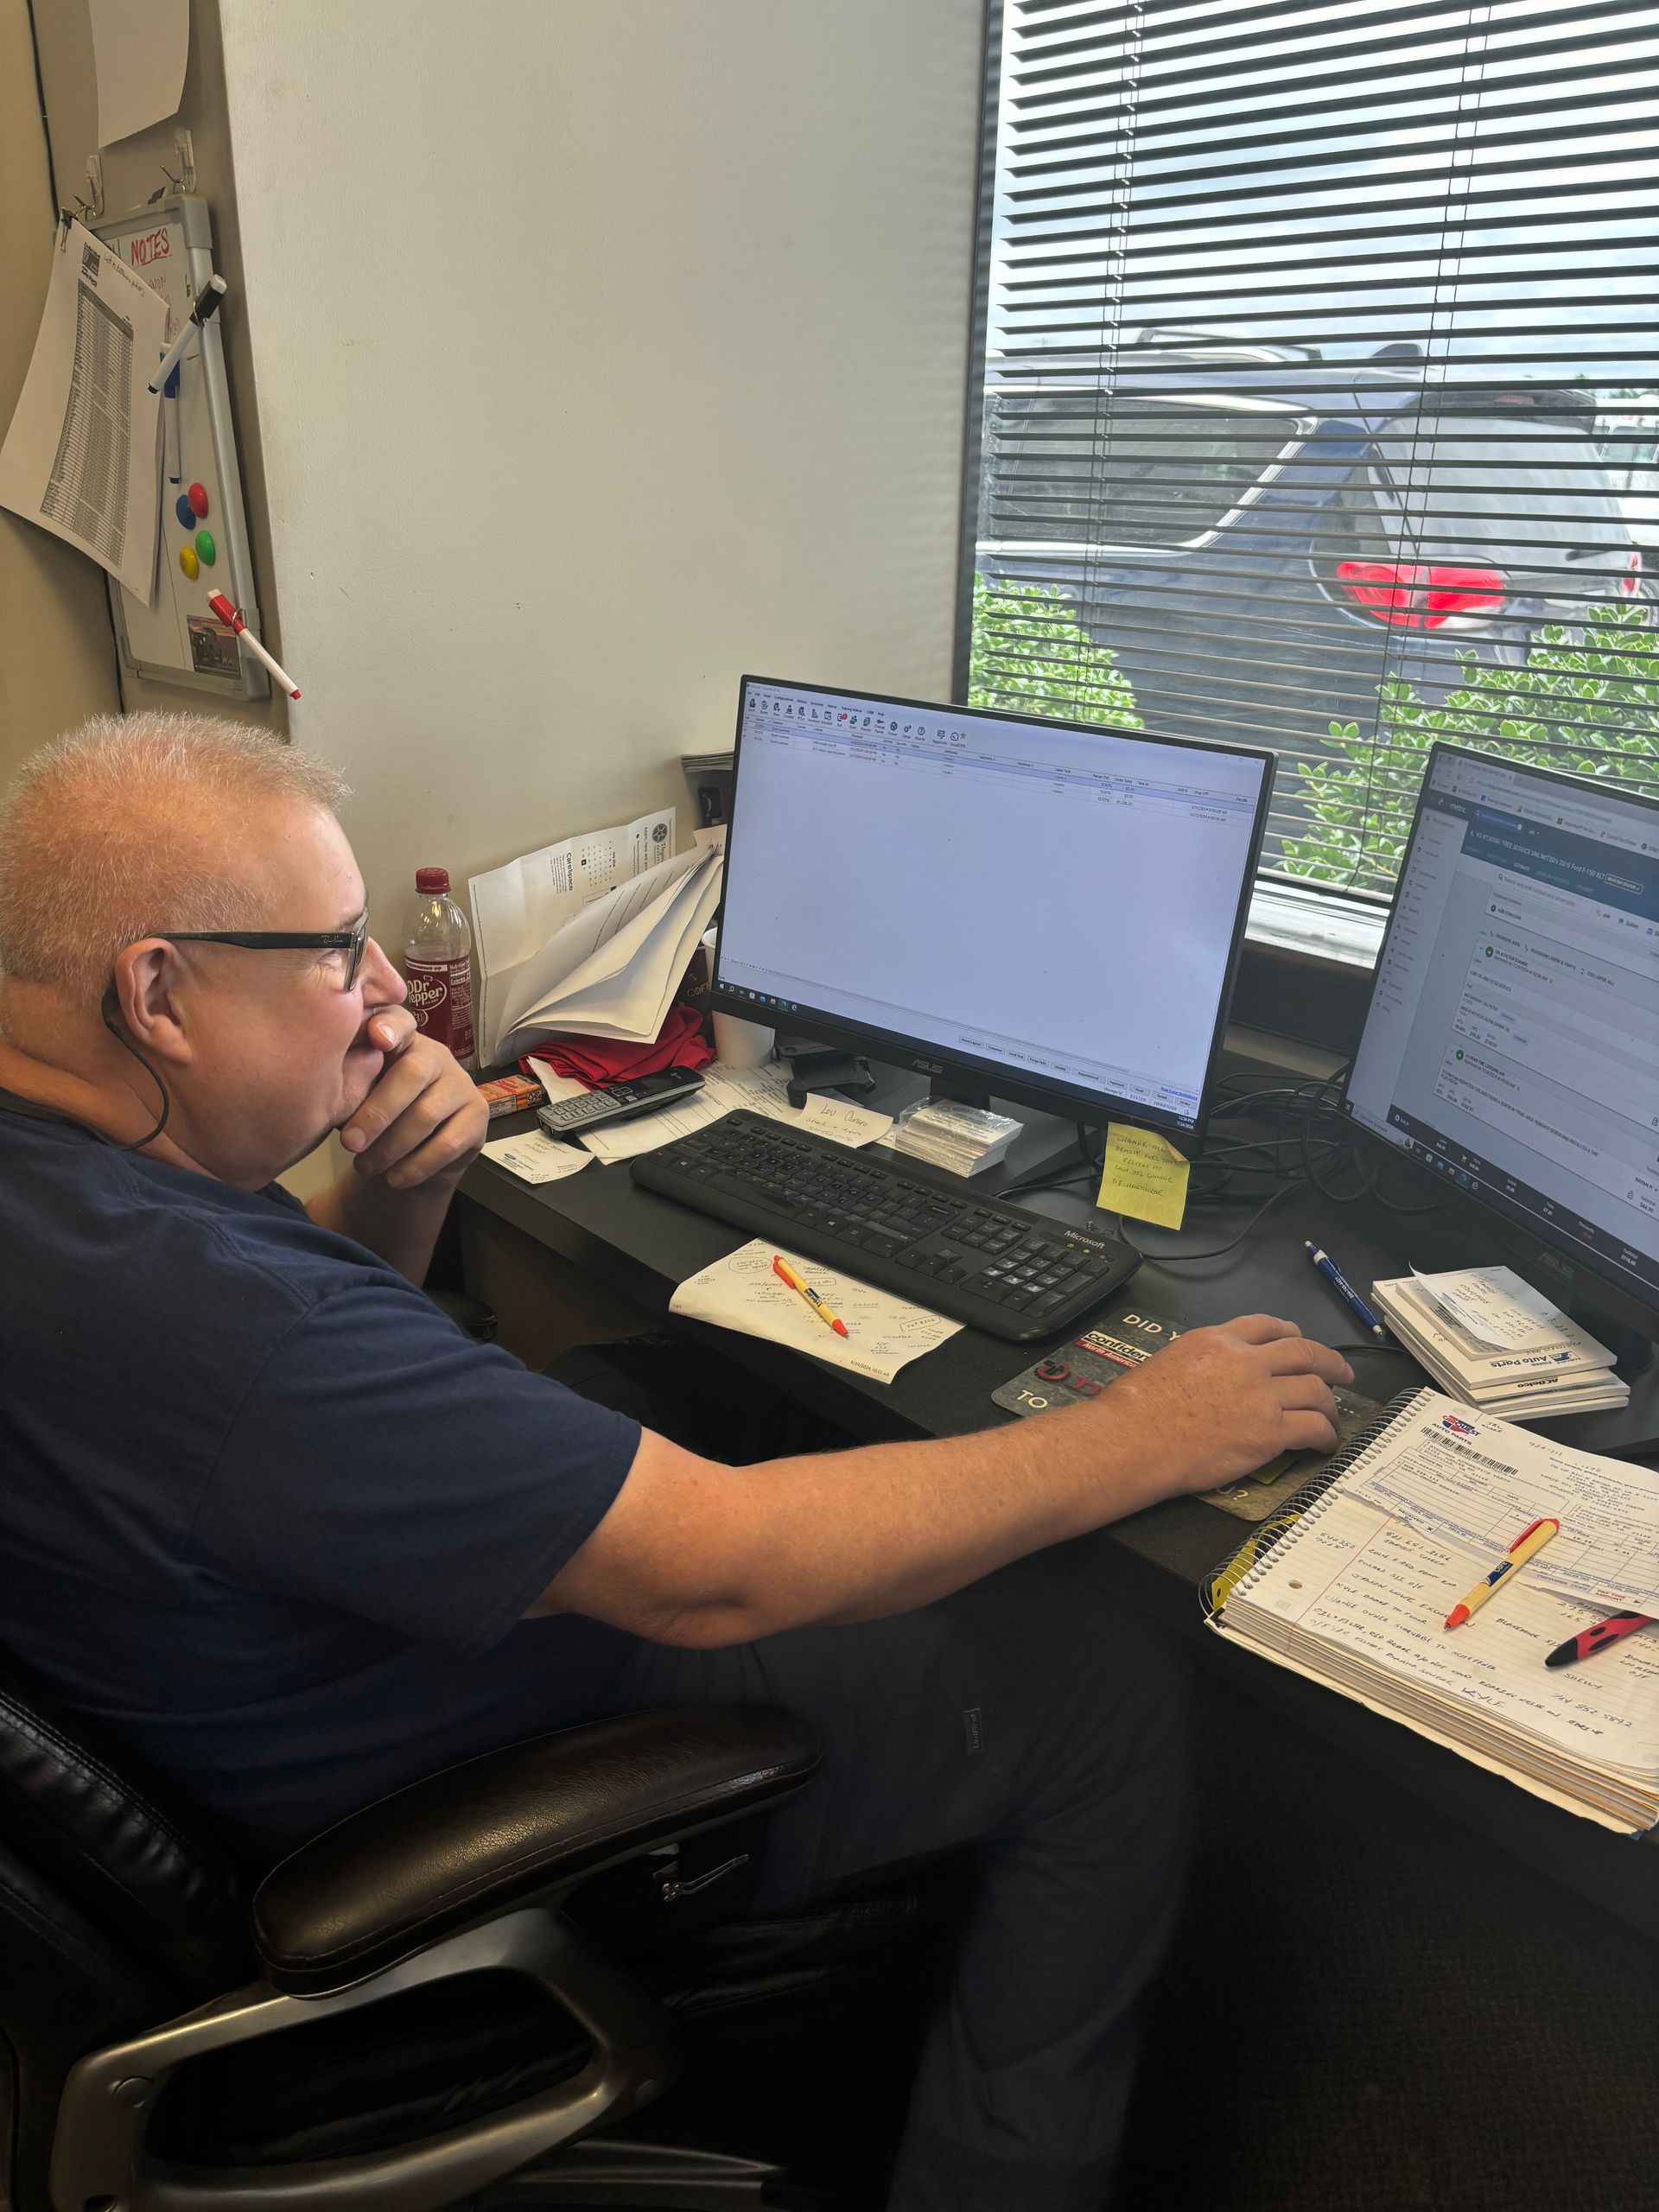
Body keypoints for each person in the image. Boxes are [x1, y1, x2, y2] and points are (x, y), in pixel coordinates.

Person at [0, 712, 1351, 2211]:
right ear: (158, 995)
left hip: (242, 1702)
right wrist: (1138, 1430)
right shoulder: (216, 1324)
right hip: (459, 1816)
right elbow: (716, 1575)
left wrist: (407, 1189)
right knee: (1096, 1691)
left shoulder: (72, 1203)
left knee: (624, 1384)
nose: (385, 995)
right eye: (335, 951)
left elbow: (247, 1417)